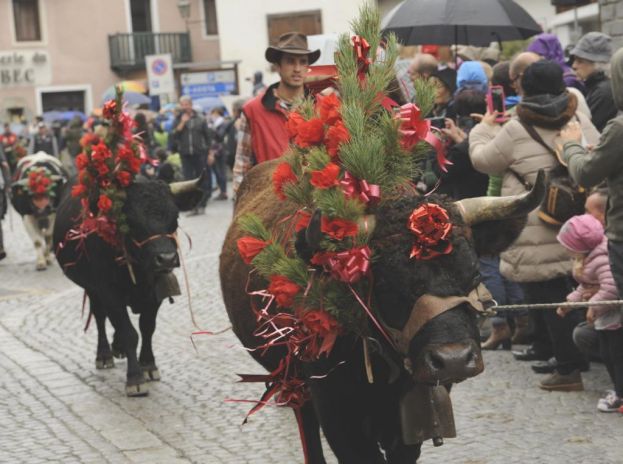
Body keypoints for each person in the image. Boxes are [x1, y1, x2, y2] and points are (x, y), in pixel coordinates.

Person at [469, 60, 600, 391]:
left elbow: (484, 160)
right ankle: (560, 354)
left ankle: (569, 369)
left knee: (548, 294)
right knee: (565, 292)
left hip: (537, 222)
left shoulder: (515, 128)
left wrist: (483, 128)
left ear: (523, 88)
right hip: (576, 220)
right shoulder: (578, 119)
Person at [561, 47, 623, 407]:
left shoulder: (618, 127)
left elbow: (586, 172)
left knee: (615, 315)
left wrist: (572, 147)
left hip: (620, 236)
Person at [233, 32, 320, 194]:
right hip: (270, 203)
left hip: (315, 202)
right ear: (278, 66)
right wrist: (241, 207)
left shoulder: (323, 107)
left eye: (303, 62)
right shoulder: (253, 110)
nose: (297, 69)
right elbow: (242, 164)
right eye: (290, 61)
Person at [556, 214, 623, 411]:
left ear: (579, 246)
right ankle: (618, 391)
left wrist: (593, 307)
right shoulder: (587, 258)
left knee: (616, 355)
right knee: (607, 354)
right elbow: (585, 287)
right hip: (605, 318)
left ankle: (620, 395)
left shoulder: (601, 259)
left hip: (614, 317)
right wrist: (570, 302)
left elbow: (612, 289)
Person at [172, 95, 213, 215]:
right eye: (182, 104)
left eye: (186, 104)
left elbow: (208, 137)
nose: (184, 107)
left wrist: (210, 153)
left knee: (201, 179)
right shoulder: (178, 119)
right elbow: (174, 136)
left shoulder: (200, 118)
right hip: (185, 154)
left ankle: (202, 204)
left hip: (199, 153)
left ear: (191, 104)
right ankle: (192, 207)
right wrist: (182, 123)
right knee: (188, 180)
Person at [570, 32, 617, 132]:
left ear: (597, 64)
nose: (574, 66)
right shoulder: (597, 86)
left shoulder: (603, 92)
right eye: (574, 60)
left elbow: (585, 127)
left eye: (580, 61)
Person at [209, 107, 230, 200]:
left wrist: (212, 129)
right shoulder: (212, 124)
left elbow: (220, 136)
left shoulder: (223, 123)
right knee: (217, 172)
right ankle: (221, 191)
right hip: (213, 150)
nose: (213, 116)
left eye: (215, 114)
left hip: (221, 151)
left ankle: (224, 192)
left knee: (221, 171)